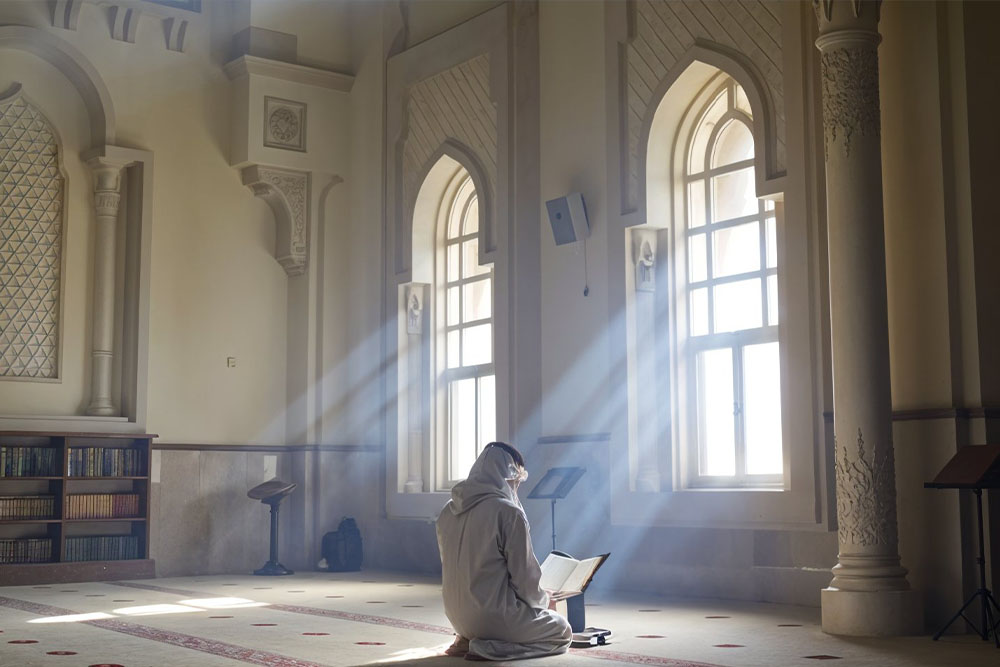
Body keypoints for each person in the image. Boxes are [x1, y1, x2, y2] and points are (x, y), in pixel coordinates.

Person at [436, 442, 573, 661]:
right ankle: (489, 647)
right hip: (492, 618)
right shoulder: (508, 512)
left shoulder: (447, 510)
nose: (516, 487)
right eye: (516, 481)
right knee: (562, 630)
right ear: (509, 476)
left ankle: (468, 640)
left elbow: (453, 568)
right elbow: (524, 578)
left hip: (456, 619)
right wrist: (545, 601)